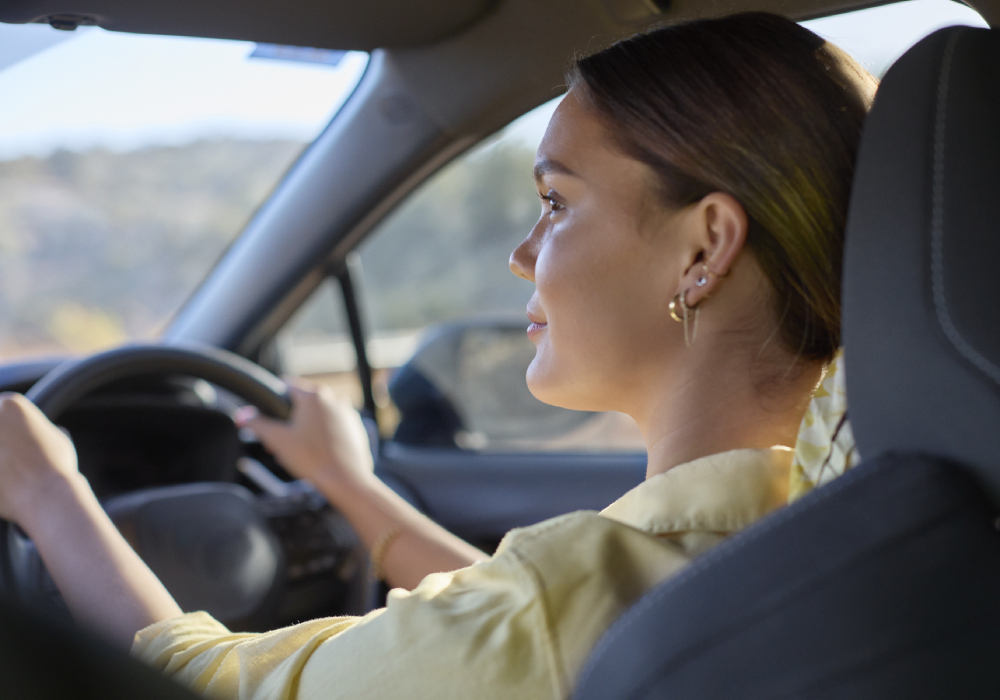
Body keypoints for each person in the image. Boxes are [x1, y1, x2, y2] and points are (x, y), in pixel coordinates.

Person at [0, 12, 877, 700]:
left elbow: (201, 686)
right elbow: (507, 630)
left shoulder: (567, 599)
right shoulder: (819, 518)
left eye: (556, 202)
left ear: (706, 245)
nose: (523, 253)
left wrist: (47, 492)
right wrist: (351, 486)